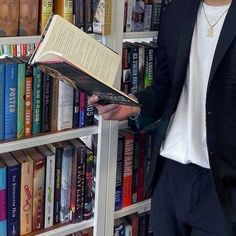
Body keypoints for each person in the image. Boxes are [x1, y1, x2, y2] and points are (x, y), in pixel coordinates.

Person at [89, 0, 236, 235]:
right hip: (170, 175)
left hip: (224, 185)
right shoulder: (179, 9)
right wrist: (133, 106)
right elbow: (166, 86)